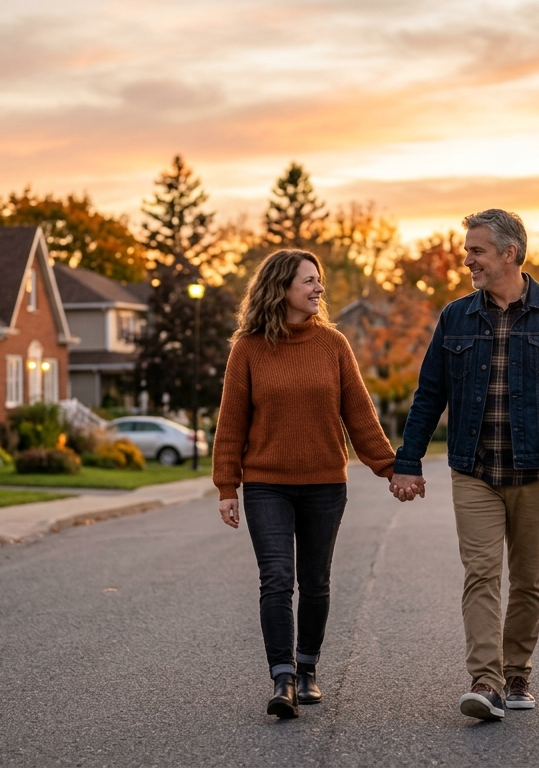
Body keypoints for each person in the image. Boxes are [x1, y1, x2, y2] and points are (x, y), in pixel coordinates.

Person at [389, 209, 539, 721]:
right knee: (481, 574)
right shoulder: (456, 317)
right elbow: (429, 394)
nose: (467, 260)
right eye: (468, 251)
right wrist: (407, 460)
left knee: (528, 578)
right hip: (474, 469)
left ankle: (517, 670)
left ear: (510, 253)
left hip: (537, 469)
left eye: (476, 251)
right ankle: (486, 681)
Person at [213, 249, 396, 719]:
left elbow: (359, 414)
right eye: (309, 281)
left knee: (315, 581)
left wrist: (392, 468)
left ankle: (309, 668)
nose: (318, 289)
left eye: (319, 280)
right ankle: (283, 677)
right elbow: (231, 422)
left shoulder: (333, 345)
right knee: (276, 579)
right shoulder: (248, 349)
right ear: (281, 288)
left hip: (323, 484)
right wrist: (226, 486)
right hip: (266, 484)